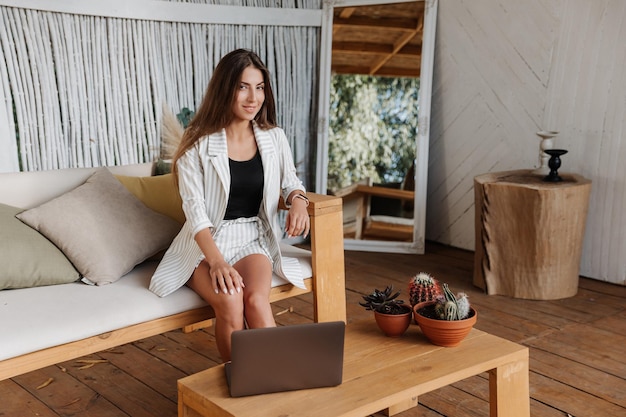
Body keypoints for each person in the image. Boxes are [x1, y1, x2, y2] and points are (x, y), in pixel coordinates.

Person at [149, 49, 310, 362]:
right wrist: (217, 262)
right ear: (225, 89)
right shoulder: (197, 142)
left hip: (253, 237)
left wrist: (299, 202)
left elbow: (291, 182)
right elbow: (194, 211)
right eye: (242, 87)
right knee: (231, 301)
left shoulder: (274, 137)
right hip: (205, 245)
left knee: (257, 301)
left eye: (259, 87)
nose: (253, 97)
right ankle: (238, 380)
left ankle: (277, 380)